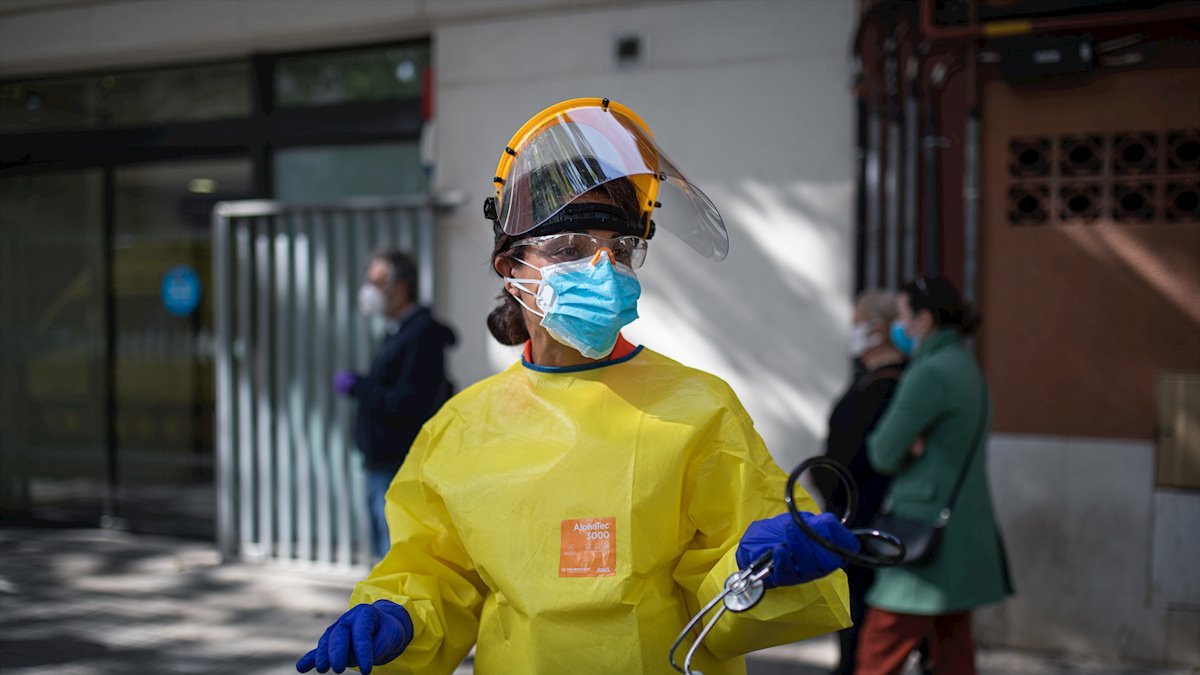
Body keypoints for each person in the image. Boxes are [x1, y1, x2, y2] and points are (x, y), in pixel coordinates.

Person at [297, 97, 860, 675]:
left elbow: (726, 602)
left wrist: (759, 570)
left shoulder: (699, 410)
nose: (602, 268)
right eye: (569, 250)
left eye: (617, 250)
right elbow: (436, 577)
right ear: (511, 265)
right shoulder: (461, 428)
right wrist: (400, 616)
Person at [854, 274, 1013, 675]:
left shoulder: (929, 374)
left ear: (925, 320)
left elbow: (882, 452)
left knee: (878, 650)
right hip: (962, 530)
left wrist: (907, 442)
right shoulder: (965, 367)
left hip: (923, 536)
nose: (901, 328)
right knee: (954, 652)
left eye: (905, 317)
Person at [333, 249, 457, 560]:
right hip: (382, 461)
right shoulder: (398, 331)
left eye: (377, 281)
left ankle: (392, 609)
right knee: (384, 550)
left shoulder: (420, 334)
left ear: (400, 287)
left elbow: (408, 402)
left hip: (398, 462)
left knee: (395, 555)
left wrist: (360, 387)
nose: (369, 290)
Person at [816, 290, 907, 675]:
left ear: (877, 329)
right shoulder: (875, 380)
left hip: (862, 519)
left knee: (859, 620)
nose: (852, 332)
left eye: (857, 323)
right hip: (854, 517)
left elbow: (851, 458)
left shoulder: (884, 385)